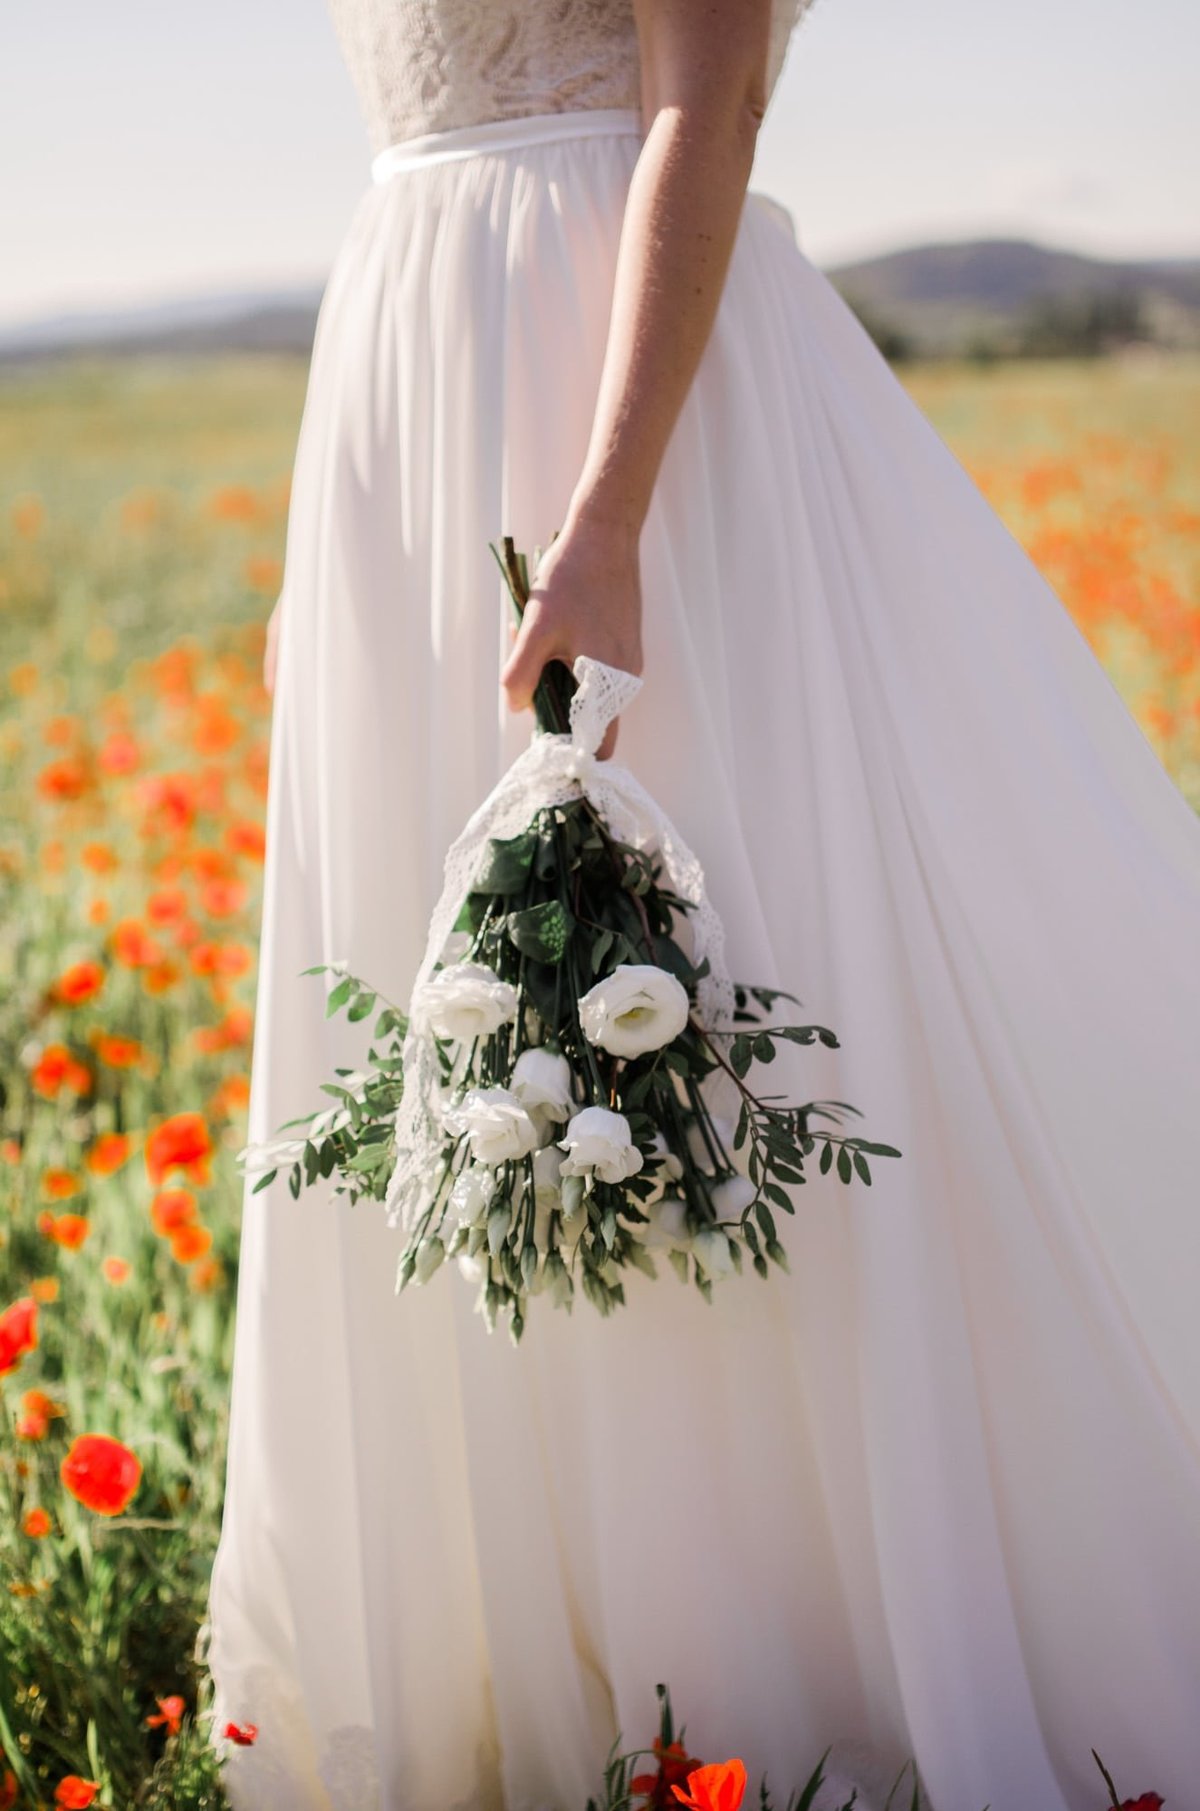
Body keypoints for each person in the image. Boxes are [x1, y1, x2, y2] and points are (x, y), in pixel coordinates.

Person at [203, 2, 1200, 1808]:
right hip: (409, 386)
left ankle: (786, 1642)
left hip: (636, 413)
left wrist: (608, 520)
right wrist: (329, 552)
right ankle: (538, 1653)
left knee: (745, 979)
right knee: (468, 1029)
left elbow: (710, 91)